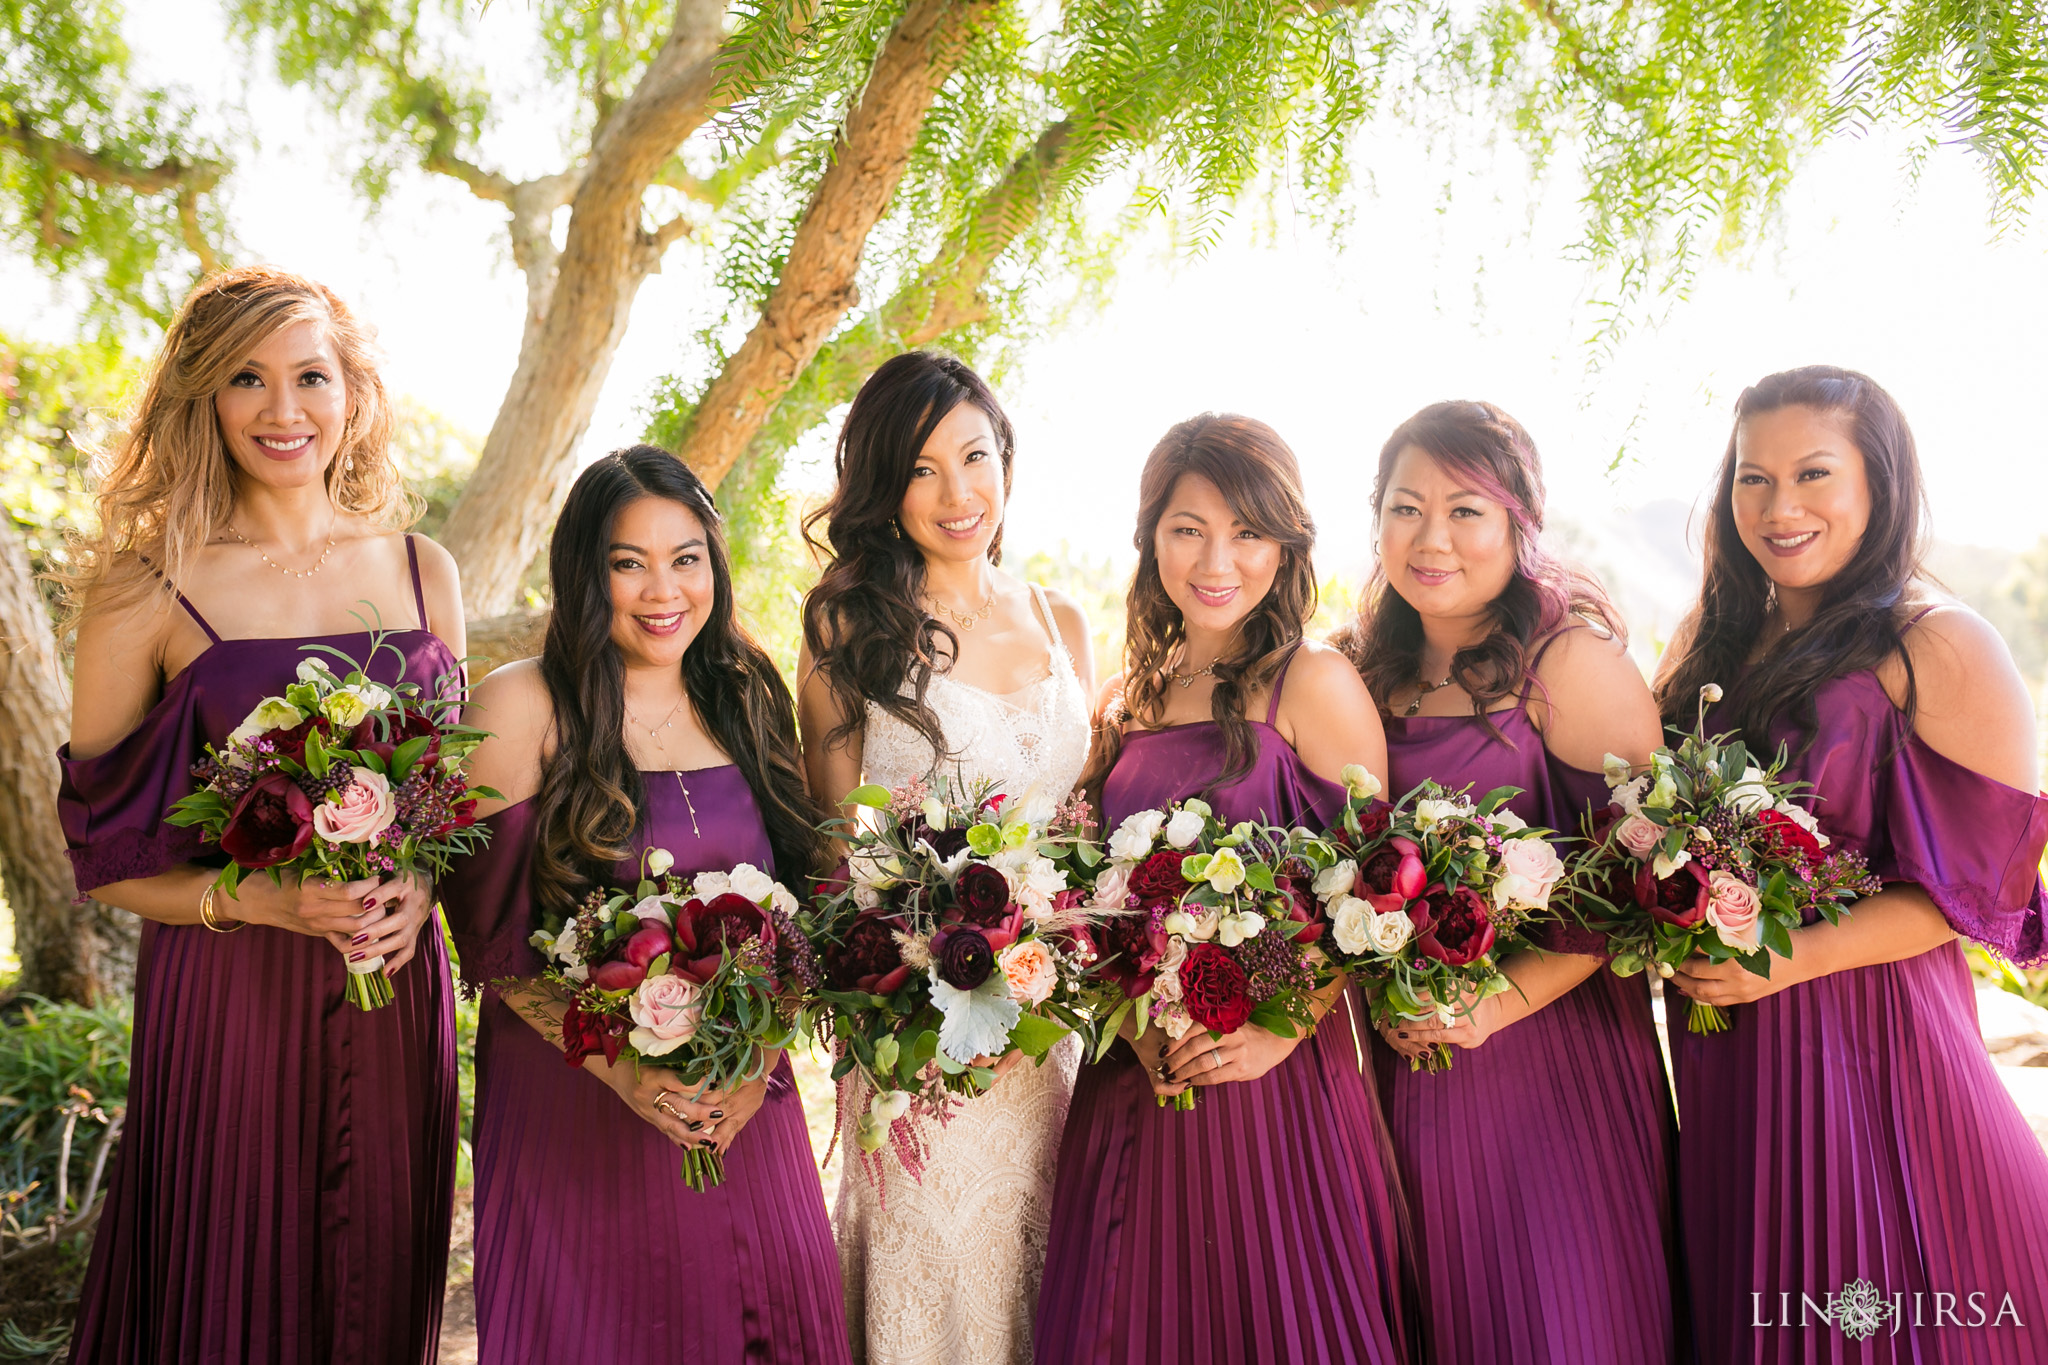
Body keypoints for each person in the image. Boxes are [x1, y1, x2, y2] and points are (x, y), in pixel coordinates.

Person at [58, 265, 462, 1363]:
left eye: (310, 377)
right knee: (226, 1293)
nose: (283, 411)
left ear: (354, 395)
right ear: (205, 399)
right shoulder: (143, 587)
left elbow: (443, 811)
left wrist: (419, 884)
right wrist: (267, 902)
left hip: (391, 991)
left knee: (381, 1276)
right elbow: (104, 859)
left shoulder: (427, 572)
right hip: (229, 992)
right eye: (247, 378)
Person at [1657, 365, 2048, 1363]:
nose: (1777, 507)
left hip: (1872, 1051)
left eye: (1811, 474)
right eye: (1752, 478)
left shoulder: (1936, 643)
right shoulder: (1714, 641)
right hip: (1723, 1053)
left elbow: (1968, 894)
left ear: (1878, 482)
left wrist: (1786, 959)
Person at [438, 446, 849, 1363]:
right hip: (578, 1104)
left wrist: (764, 1056)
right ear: (587, 573)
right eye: (629, 562)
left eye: (686, 557)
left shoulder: (746, 694)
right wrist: (624, 1074)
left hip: (747, 1101)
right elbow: (494, 947)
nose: (663, 589)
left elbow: (805, 904)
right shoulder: (520, 706)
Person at [1034, 413, 1416, 1365]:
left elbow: (1383, 890)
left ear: (1285, 546)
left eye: (1246, 531)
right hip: (1137, 1080)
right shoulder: (1124, 703)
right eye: (1187, 528)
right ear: (1149, 536)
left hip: (1279, 1084)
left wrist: (1278, 1027)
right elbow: (1082, 904)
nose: (1217, 559)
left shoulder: (1315, 682)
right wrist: (1130, 1022)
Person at [1336, 400, 1686, 1362]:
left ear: (1518, 522)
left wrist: (1493, 1007)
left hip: (1553, 1061)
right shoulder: (1367, 675)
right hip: (1409, 1069)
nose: (1431, 537)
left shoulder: (1570, 662)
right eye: (1405, 508)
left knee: (1559, 1314)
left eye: (1465, 510)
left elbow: (1647, 884)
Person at [797, 352, 1094, 1365]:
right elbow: (840, 861)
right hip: (915, 1044)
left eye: (974, 456)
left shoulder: (1064, 621)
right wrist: (916, 994)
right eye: (921, 470)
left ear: (1005, 458)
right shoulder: (849, 628)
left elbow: (1080, 840)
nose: (957, 493)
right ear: (884, 488)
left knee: (1052, 1272)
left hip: (1051, 1035)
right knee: (935, 1273)